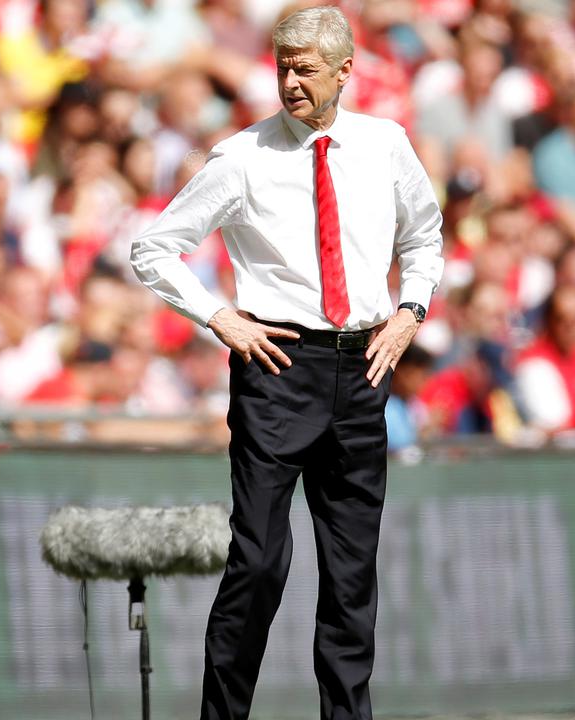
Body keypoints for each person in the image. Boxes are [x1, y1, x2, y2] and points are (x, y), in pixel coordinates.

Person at [130, 7, 443, 719]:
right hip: (277, 366)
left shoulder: (385, 144)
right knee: (261, 562)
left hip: (364, 366)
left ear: (344, 71)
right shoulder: (241, 156)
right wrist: (218, 316)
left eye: (305, 68)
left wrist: (409, 312)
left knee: (351, 573)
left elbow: (425, 238)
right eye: (283, 67)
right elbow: (152, 247)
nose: (292, 81)